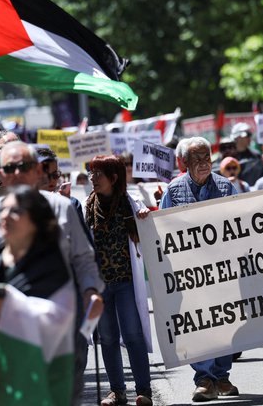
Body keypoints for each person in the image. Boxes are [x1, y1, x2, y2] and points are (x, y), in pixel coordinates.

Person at [0, 141, 104, 405]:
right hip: (9, 333)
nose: (18, 173)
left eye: (25, 166)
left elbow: (83, 259)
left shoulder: (62, 208)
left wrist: (91, 292)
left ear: (36, 171)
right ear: (0, 174)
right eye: (10, 167)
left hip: (61, 325)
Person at [0, 185, 75, 405]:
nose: (5, 216)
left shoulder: (53, 267)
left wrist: (8, 304)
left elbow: (57, 319)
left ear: (36, 221)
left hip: (35, 378)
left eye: (15, 211)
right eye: (3, 210)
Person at [159, 137, 239, 402]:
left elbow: (242, 224)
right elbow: (161, 232)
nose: (204, 163)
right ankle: (204, 379)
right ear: (184, 163)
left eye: (207, 157)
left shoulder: (227, 188)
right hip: (190, 275)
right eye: (196, 159)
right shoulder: (173, 191)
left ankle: (222, 376)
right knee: (198, 325)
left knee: (226, 322)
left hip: (224, 272)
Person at [85, 155, 153, 406]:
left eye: (98, 174)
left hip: (125, 283)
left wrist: (145, 217)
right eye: (91, 173)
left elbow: (150, 232)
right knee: (107, 337)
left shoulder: (130, 204)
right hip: (100, 286)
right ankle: (117, 391)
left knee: (133, 334)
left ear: (113, 178)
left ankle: (143, 390)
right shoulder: (86, 207)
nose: (93, 178)